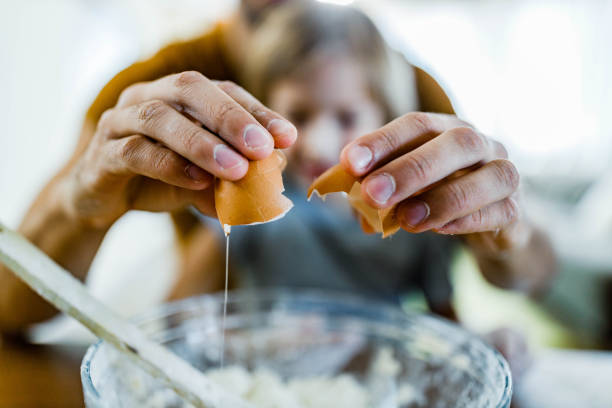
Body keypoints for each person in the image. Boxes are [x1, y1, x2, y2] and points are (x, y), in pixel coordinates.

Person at [0, 0, 555, 335]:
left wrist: (511, 236)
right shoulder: (156, 86)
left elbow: (514, 274)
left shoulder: (408, 91)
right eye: (300, 113)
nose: (320, 137)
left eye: (344, 115)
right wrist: (83, 203)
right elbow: (16, 304)